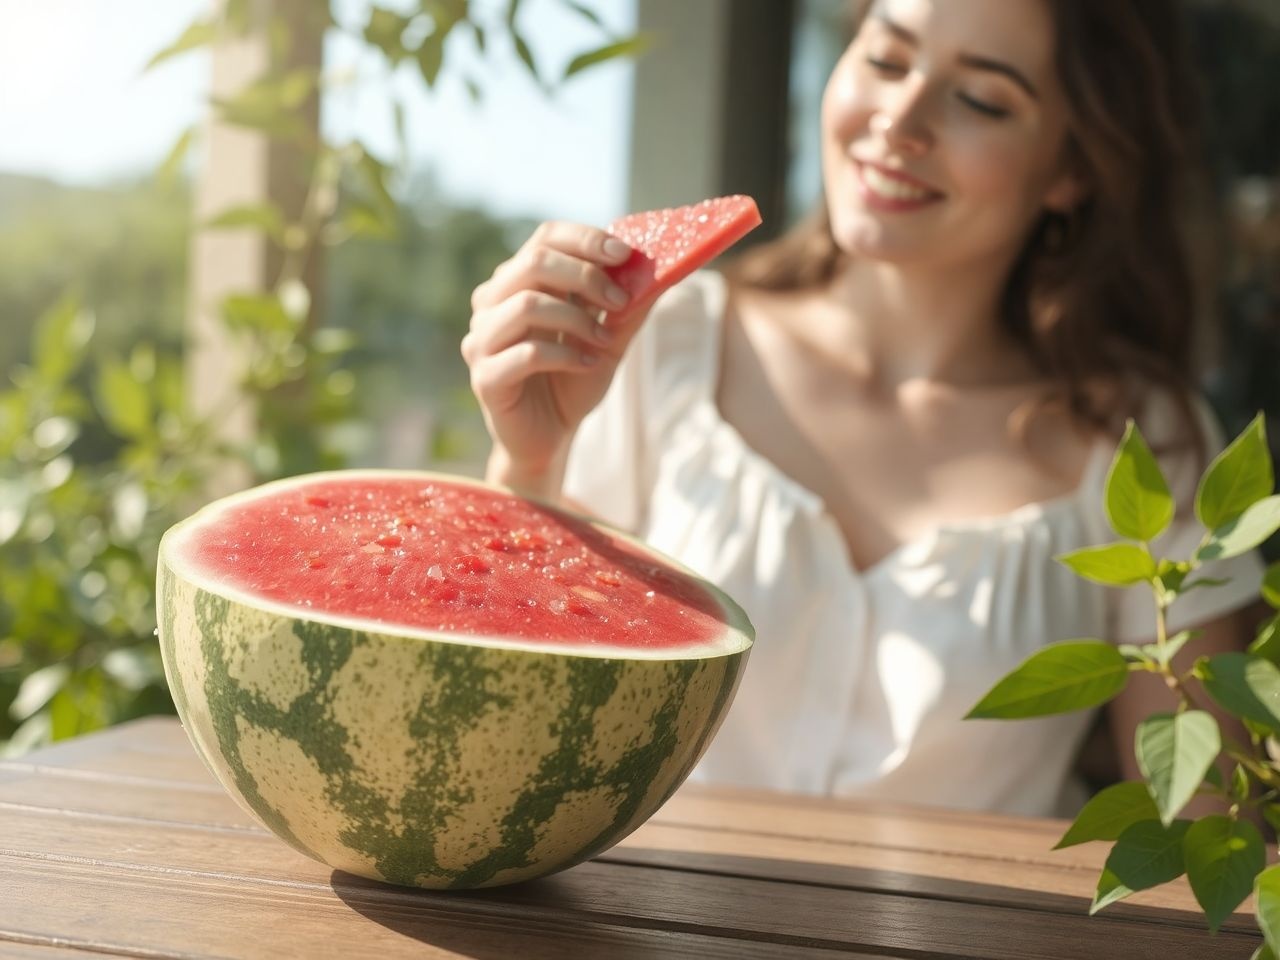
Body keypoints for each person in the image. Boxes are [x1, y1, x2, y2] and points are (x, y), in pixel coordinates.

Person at [460, 0, 1266, 816]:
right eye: (886, 60)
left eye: (981, 99)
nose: (899, 120)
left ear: (1074, 167)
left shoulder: (1146, 444)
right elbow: (509, 738)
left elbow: (1202, 836)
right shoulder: (661, 344)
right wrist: (531, 461)